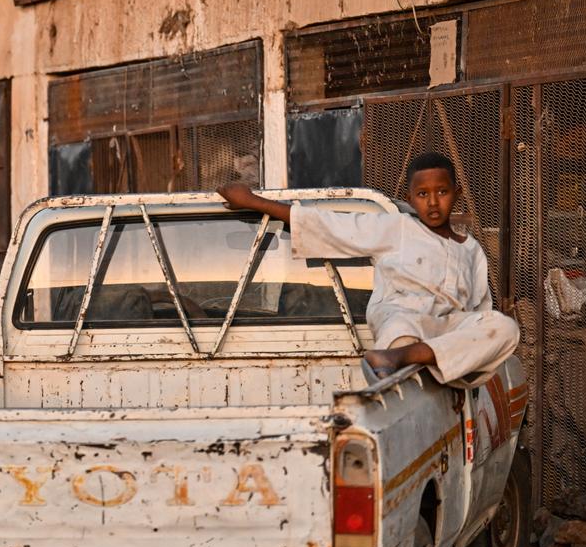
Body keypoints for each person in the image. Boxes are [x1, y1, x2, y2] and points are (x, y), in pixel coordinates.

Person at [217, 151, 520, 387]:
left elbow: (480, 314)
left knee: (504, 328)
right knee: (398, 329)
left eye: (441, 192)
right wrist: (253, 201)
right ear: (410, 197)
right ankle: (402, 354)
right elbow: (332, 226)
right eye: (422, 194)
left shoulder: (472, 250)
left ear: (457, 192)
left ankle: (408, 359)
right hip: (405, 323)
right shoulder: (398, 227)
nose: (432, 203)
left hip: (448, 333)